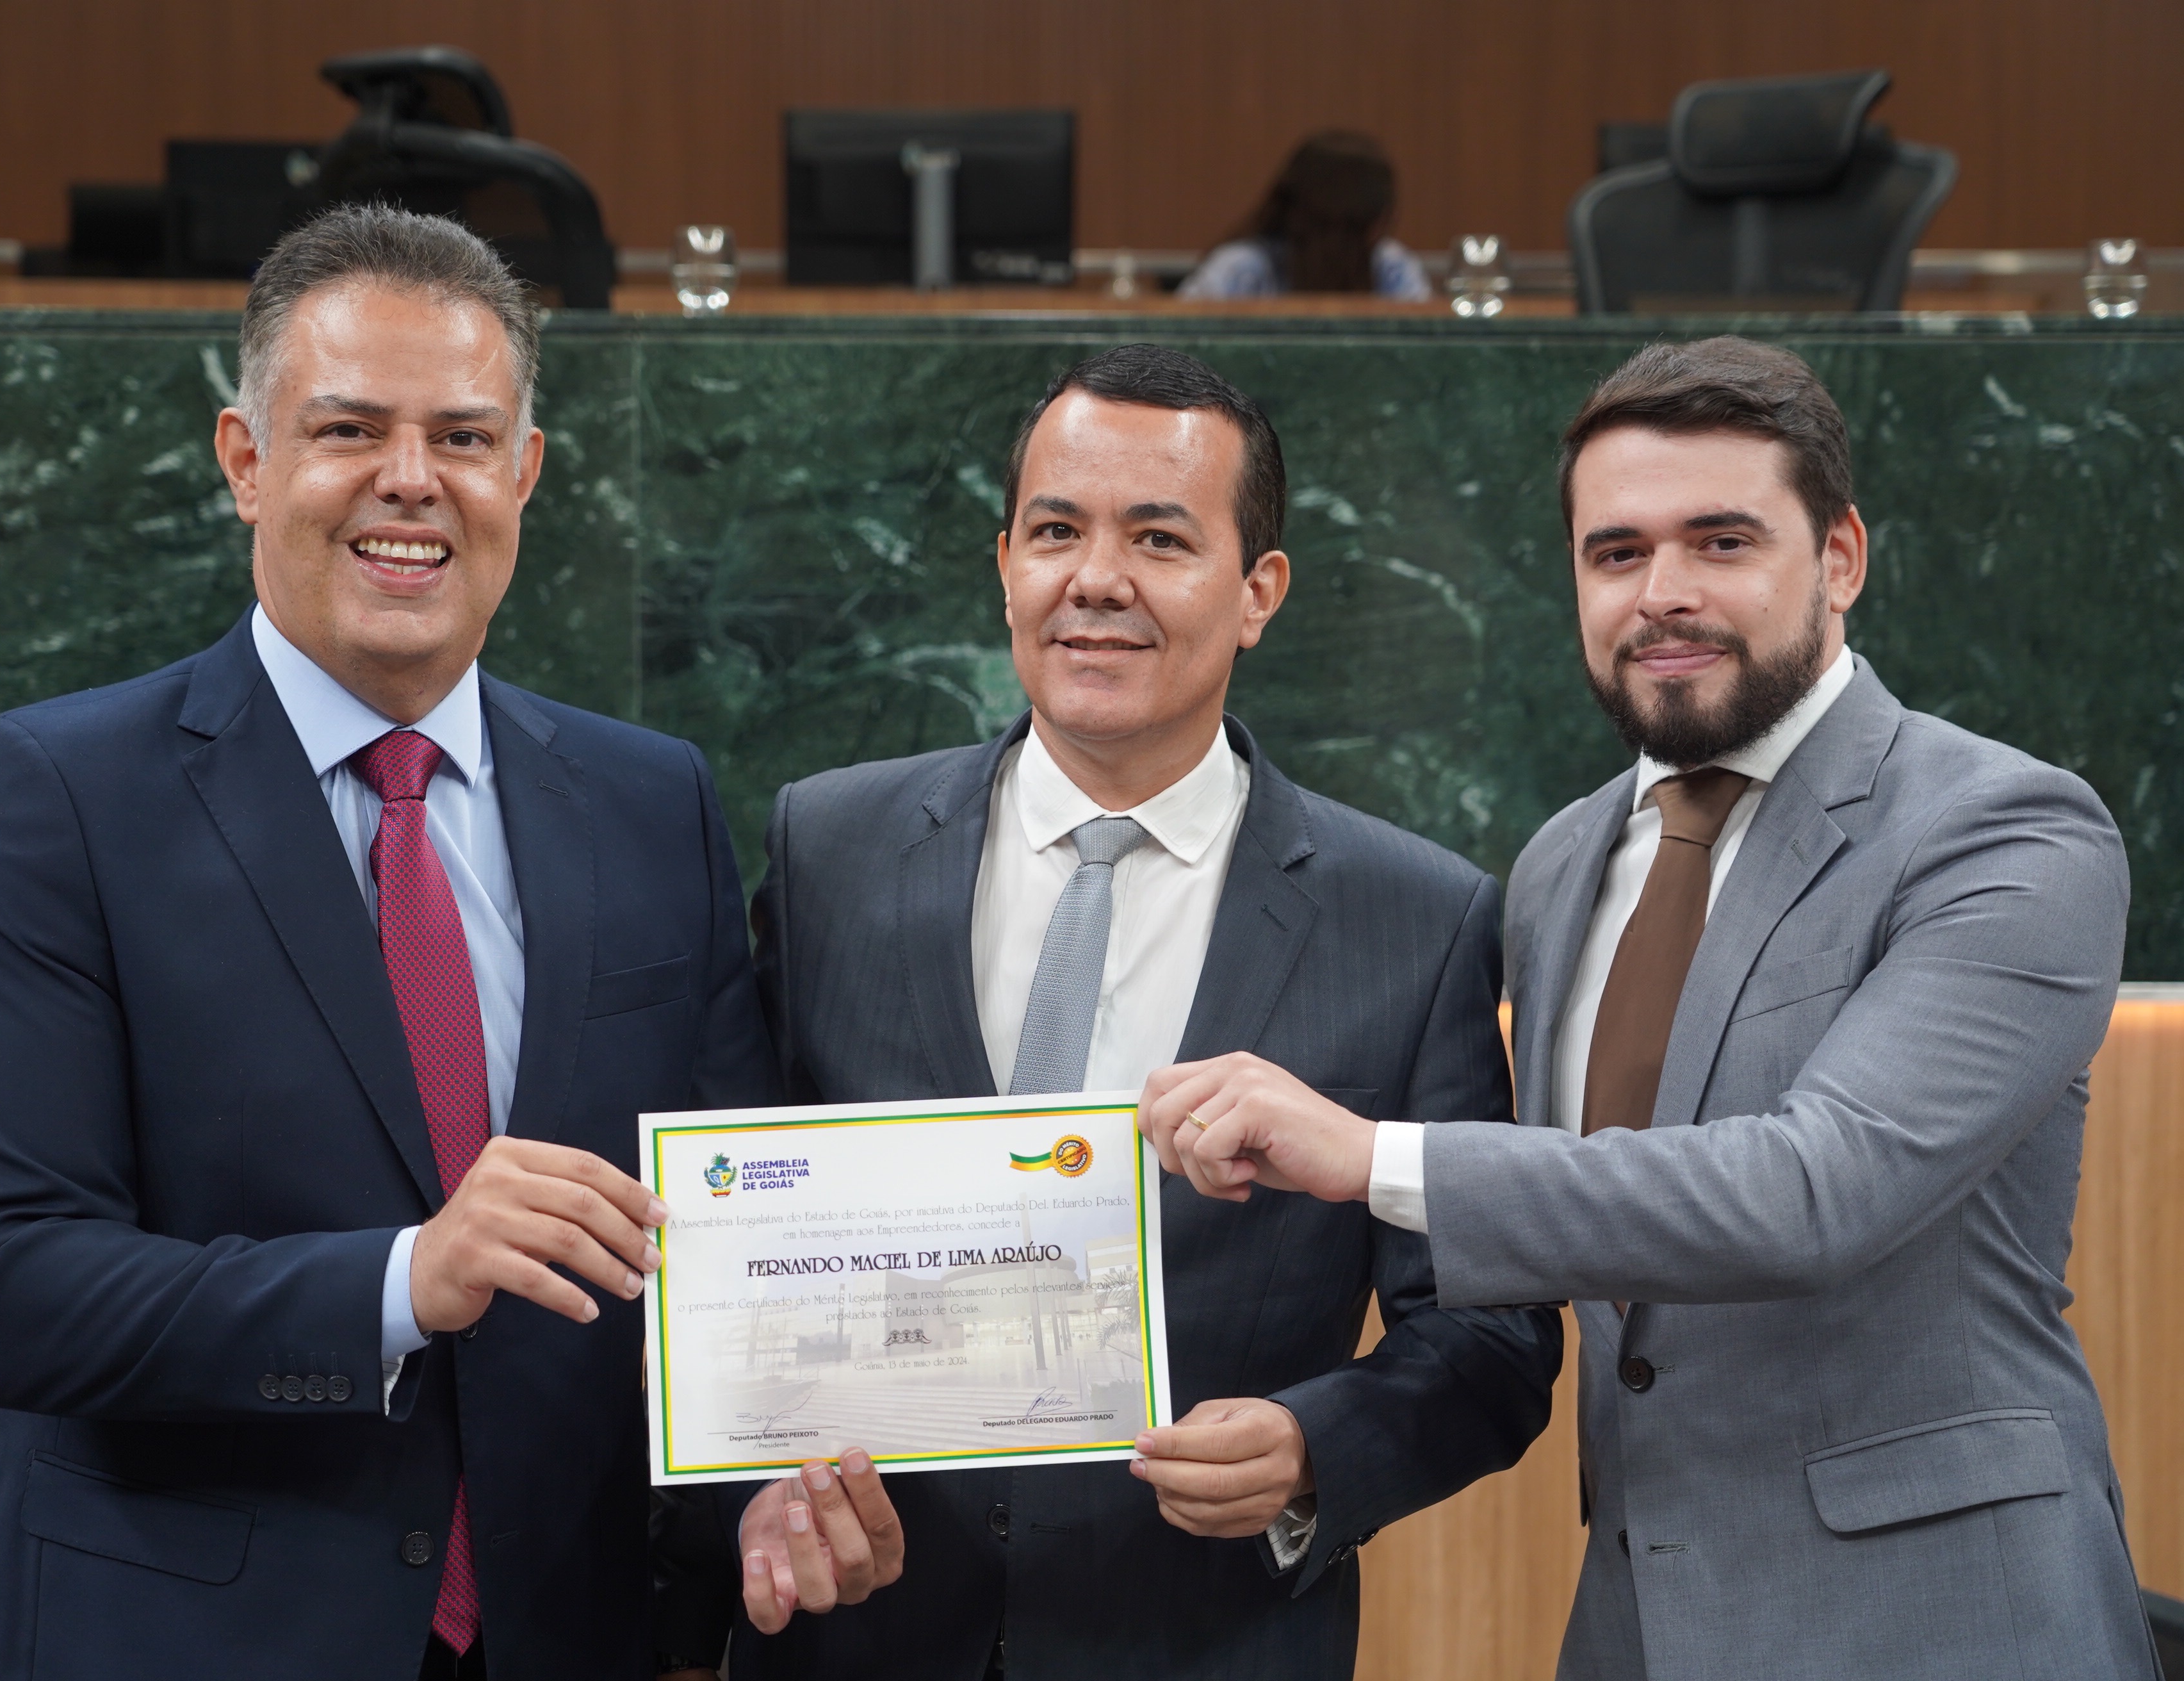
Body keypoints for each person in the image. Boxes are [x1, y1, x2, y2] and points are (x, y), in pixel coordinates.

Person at [1141, 337, 2160, 1680]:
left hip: (1946, 1624)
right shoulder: (1560, 868)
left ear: (1841, 557)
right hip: (1637, 1620)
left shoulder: (2006, 832)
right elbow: (1549, 1252)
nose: (1662, 593)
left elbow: (1812, 1192)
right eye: (1616, 552)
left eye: (1722, 541)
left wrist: (1369, 1153)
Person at [0, 204, 776, 1680]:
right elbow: (7, 1284)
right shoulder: (50, 796)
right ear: (246, 461)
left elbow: (731, 1241)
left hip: (564, 1633)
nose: (411, 479)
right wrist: (400, 1279)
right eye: (351, 428)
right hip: (181, 1639)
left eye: (464, 437)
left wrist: (764, 1500)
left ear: (526, 473)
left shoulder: (652, 801)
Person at [656, 345, 1563, 1680]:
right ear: (1004, 565)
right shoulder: (829, 849)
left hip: (1203, 1640)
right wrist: (750, 1497)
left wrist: (1316, 1447)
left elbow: (1490, 1335)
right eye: (1055, 531)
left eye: (1160, 538)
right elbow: (718, 1244)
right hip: (863, 1636)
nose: (1096, 579)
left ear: (1259, 592)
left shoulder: (1416, 919)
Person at [1177, 131, 1428, 304]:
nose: (1378, 233)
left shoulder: (1390, 267)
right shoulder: (1241, 269)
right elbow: (1175, 352)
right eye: (1366, 224)